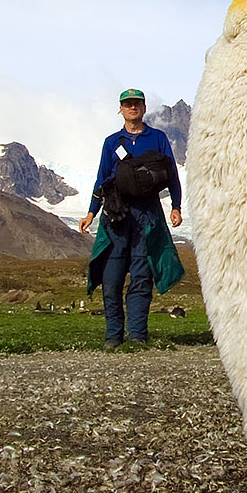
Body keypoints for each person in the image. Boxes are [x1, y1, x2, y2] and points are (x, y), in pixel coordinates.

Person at [79, 88, 185, 349]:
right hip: (116, 215)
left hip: (147, 215)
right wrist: (92, 212)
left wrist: (176, 206)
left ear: (144, 107)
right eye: (127, 104)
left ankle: (137, 335)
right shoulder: (111, 142)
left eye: (136, 103)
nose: (132, 108)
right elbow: (102, 178)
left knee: (141, 276)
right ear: (121, 109)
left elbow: (171, 174)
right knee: (111, 277)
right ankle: (113, 336)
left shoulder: (157, 138)